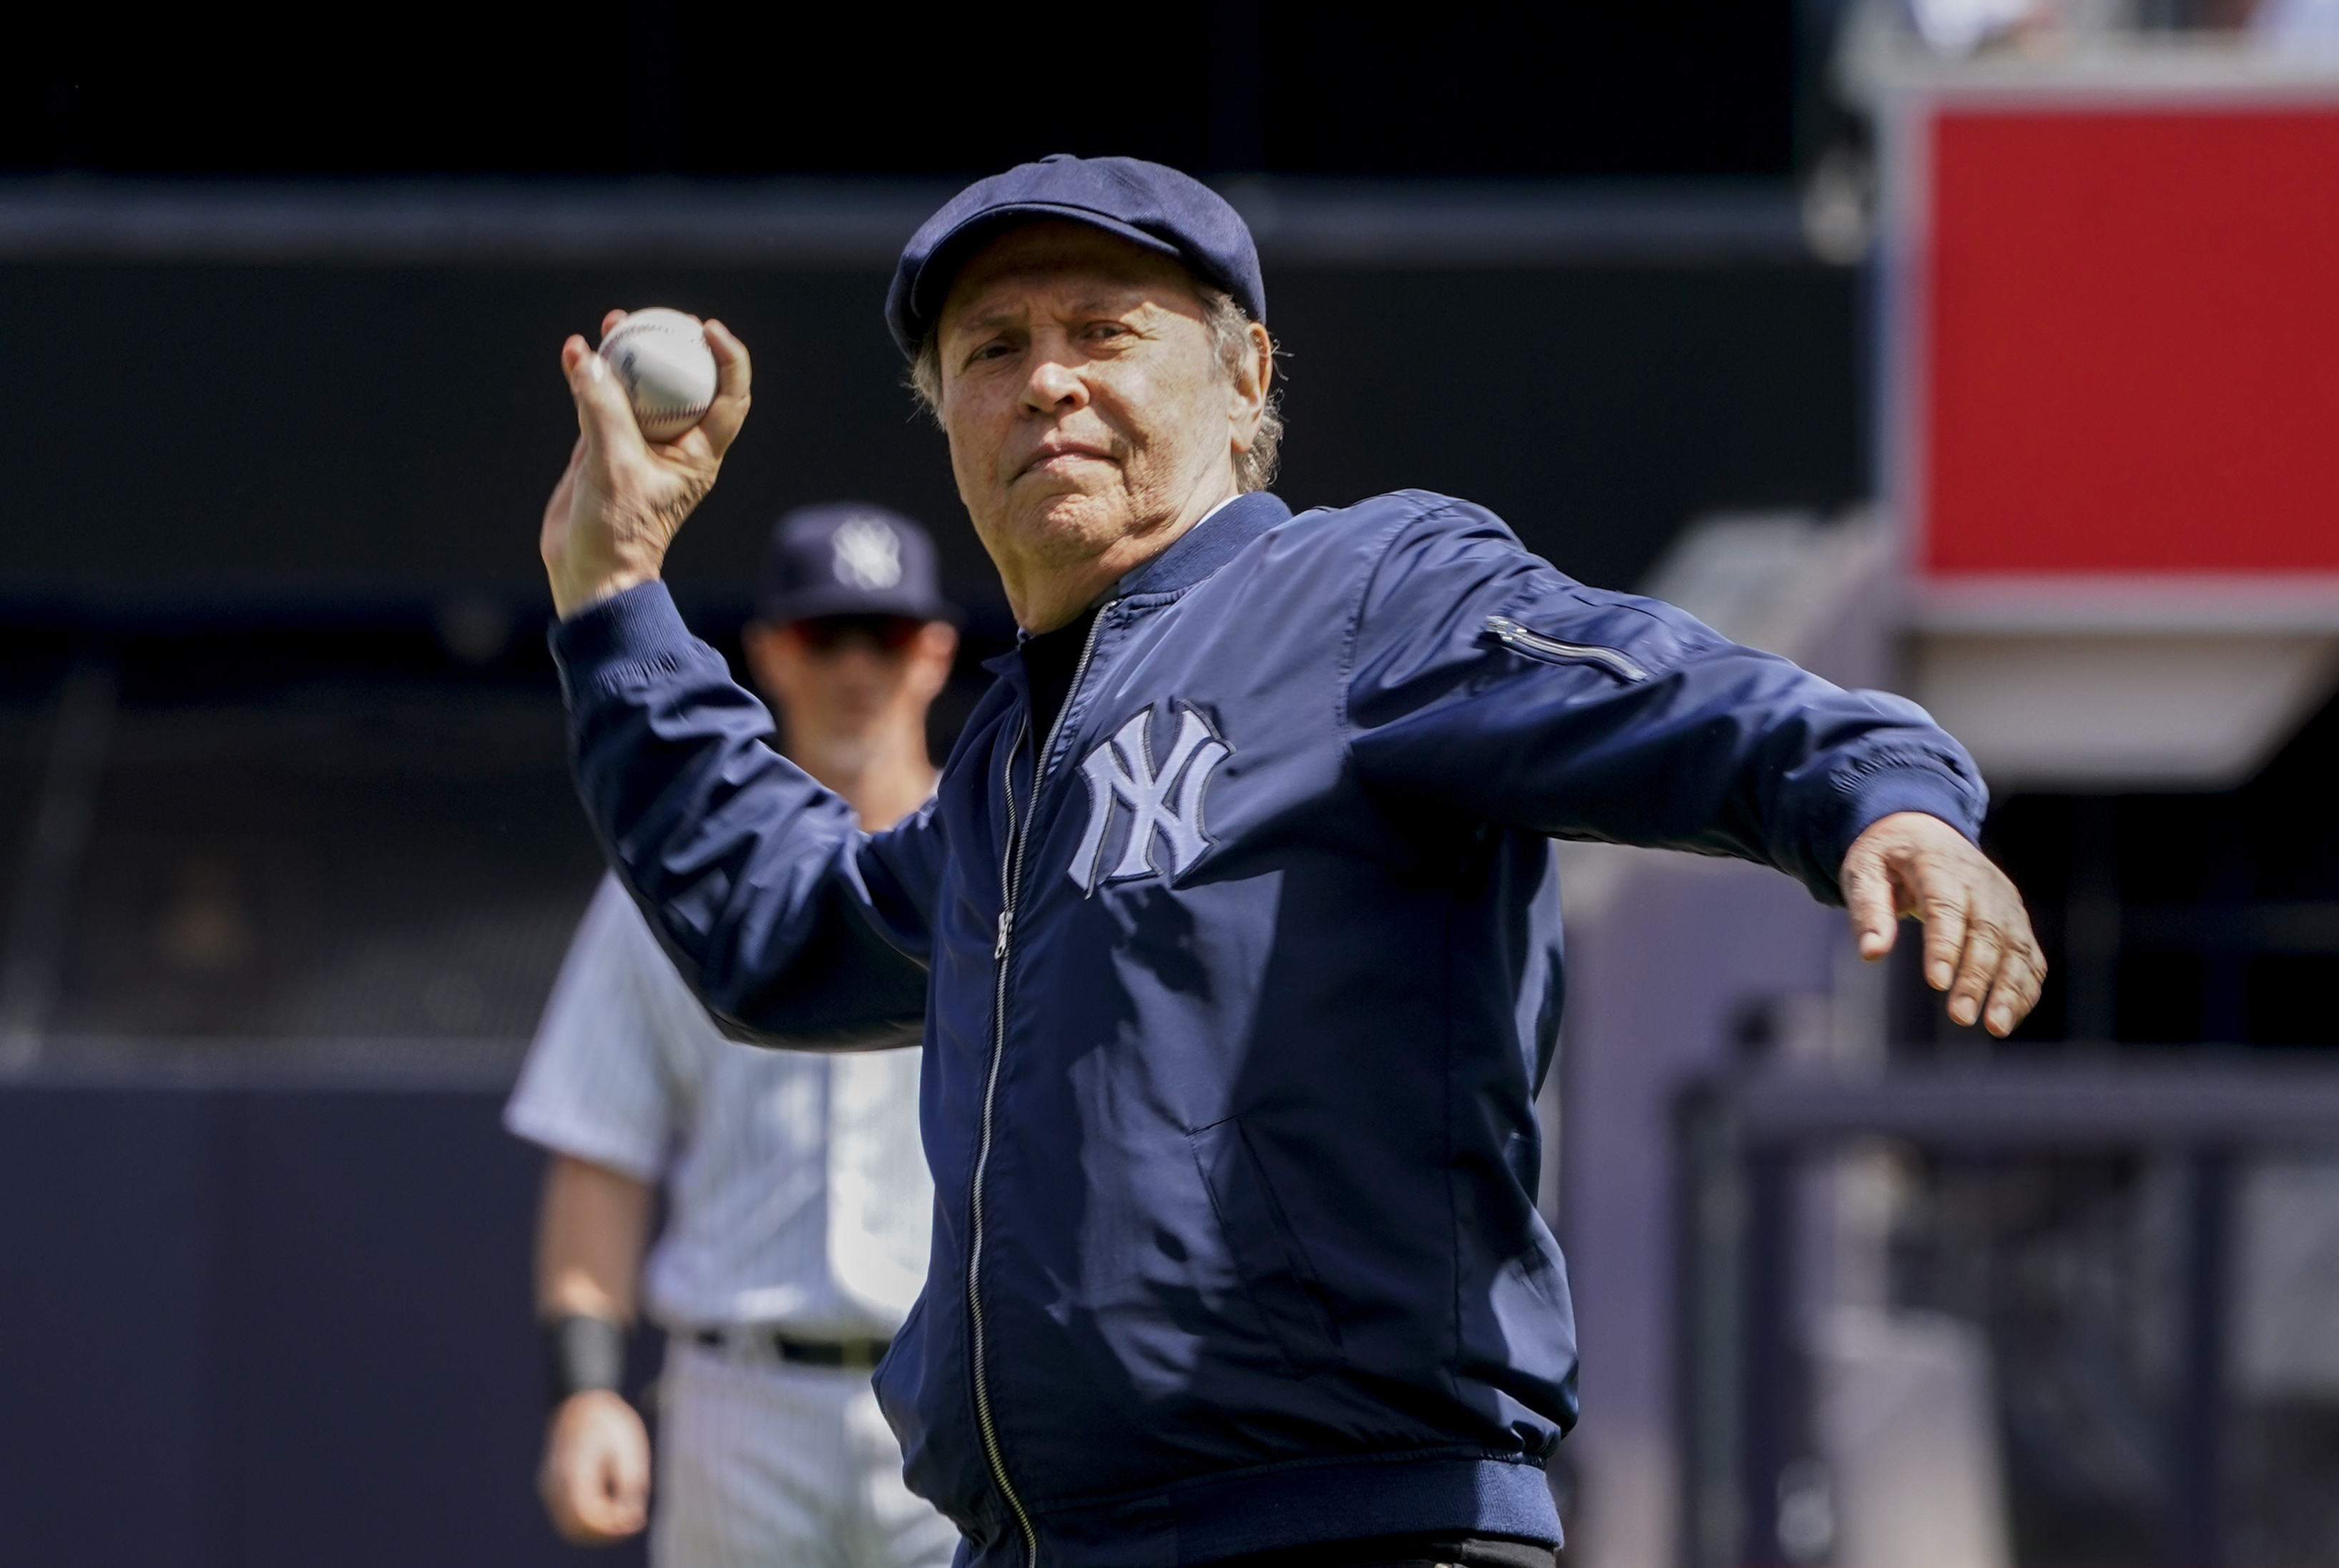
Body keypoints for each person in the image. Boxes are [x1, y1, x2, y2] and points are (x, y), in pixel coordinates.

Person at [533, 155, 2049, 1568]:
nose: (1046, 377)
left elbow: (1648, 681)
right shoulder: (1004, 764)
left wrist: (1875, 791)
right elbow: (786, 926)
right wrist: (615, 601)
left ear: (1245, 371)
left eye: (1104, 329)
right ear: (945, 415)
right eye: (991, 348)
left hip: (1344, 1529)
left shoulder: (1356, 597)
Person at [507, 502, 964, 1568]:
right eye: (825, 634)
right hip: (739, 1394)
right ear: (768, 651)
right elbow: (600, 1147)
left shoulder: (1001, 865)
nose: (859, 665)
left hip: (956, 1387)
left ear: (936, 650)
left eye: (886, 634)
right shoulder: (673, 886)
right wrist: (586, 1394)